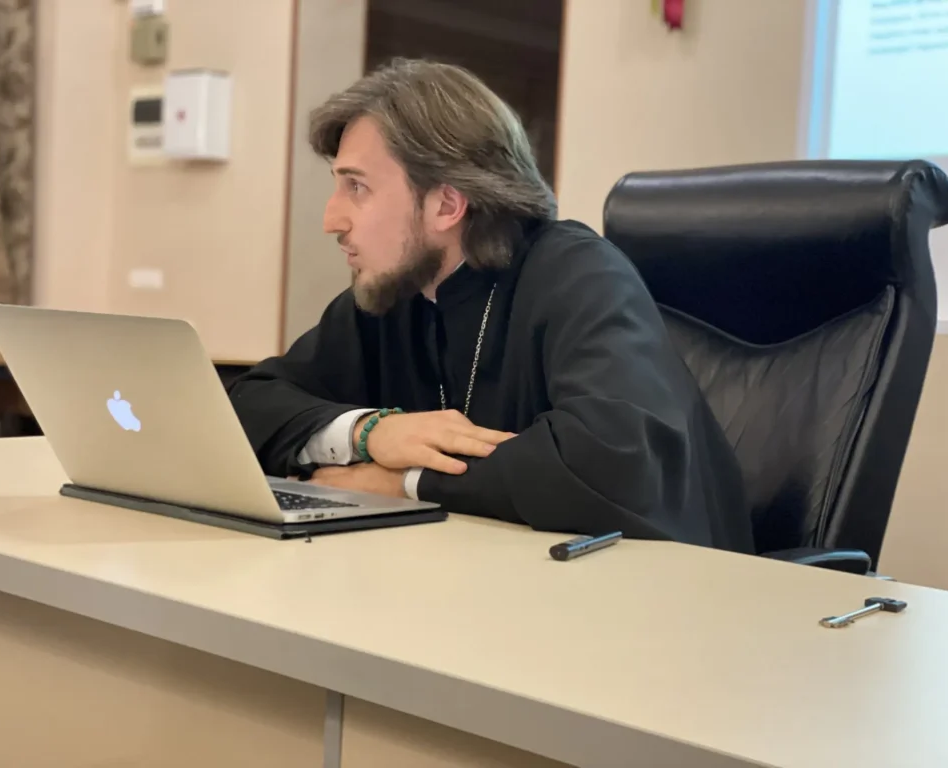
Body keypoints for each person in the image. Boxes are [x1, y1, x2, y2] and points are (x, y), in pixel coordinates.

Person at [228, 58, 754, 553]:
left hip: (664, 594)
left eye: (357, 187)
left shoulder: (579, 274)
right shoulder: (393, 297)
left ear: (446, 205)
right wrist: (372, 432)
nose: (332, 219)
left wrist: (406, 481)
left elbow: (612, 459)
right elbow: (249, 404)